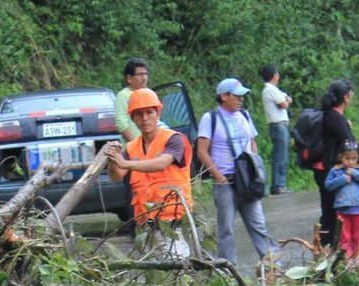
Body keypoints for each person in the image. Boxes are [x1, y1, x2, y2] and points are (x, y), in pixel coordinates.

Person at [196, 78, 277, 265]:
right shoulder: (211, 119)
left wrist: (254, 167)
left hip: (247, 181)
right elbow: (202, 150)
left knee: (258, 225)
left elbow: (252, 142)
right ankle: (227, 270)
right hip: (225, 182)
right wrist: (218, 176)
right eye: (237, 96)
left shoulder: (245, 116)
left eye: (243, 96)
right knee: (226, 229)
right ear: (224, 96)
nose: (241, 99)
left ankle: (273, 266)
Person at [106, 87, 194, 231]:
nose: (145, 118)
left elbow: (162, 163)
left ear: (158, 114)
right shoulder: (131, 147)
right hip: (145, 222)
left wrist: (124, 163)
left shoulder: (174, 139)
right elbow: (116, 176)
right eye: (139, 114)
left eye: (149, 112)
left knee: (175, 253)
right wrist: (112, 159)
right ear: (132, 118)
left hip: (174, 220)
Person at [312, 81, 359, 251]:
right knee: (332, 212)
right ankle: (327, 248)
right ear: (346, 97)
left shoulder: (331, 115)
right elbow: (349, 143)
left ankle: (328, 248)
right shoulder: (335, 118)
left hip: (321, 168)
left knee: (330, 210)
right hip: (328, 169)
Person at [324, 140, 359, 261]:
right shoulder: (336, 171)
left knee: (357, 236)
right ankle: (347, 260)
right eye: (347, 158)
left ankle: (357, 260)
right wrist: (342, 179)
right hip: (342, 208)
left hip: (358, 208)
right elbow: (328, 185)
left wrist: (355, 174)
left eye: (353, 158)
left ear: (358, 158)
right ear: (341, 157)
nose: (350, 162)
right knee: (344, 237)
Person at [259, 65, 292, 195]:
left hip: (279, 125)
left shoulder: (272, 90)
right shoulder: (271, 90)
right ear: (275, 75)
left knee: (281, 154)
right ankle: (279, 184)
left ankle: (279, 183)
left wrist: (286, 99)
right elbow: (285, 103)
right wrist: (287, 100)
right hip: (278, 125)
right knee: (280, 155)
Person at [114, 58, 151, 144]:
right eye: (140, 74)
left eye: (145, 74)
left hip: (150, 148)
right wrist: (136, 145)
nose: (144, 78)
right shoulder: (123, 95)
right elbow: (121, 124)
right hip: (132, 151)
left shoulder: (149, 94)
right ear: (129, 78)